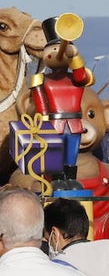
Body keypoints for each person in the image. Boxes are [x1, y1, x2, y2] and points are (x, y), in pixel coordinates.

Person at [26, 15, 94, 190]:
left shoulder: (76, 78)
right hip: (53, 122)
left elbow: (82, 76)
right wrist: (43, 119)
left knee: (72, 152)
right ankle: (56, 178)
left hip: (74, 122)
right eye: (53, 49)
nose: (59, 52)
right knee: (55, 152)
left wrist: (75, 56)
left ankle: (71, 178)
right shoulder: (42, 79)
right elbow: (40, 100)